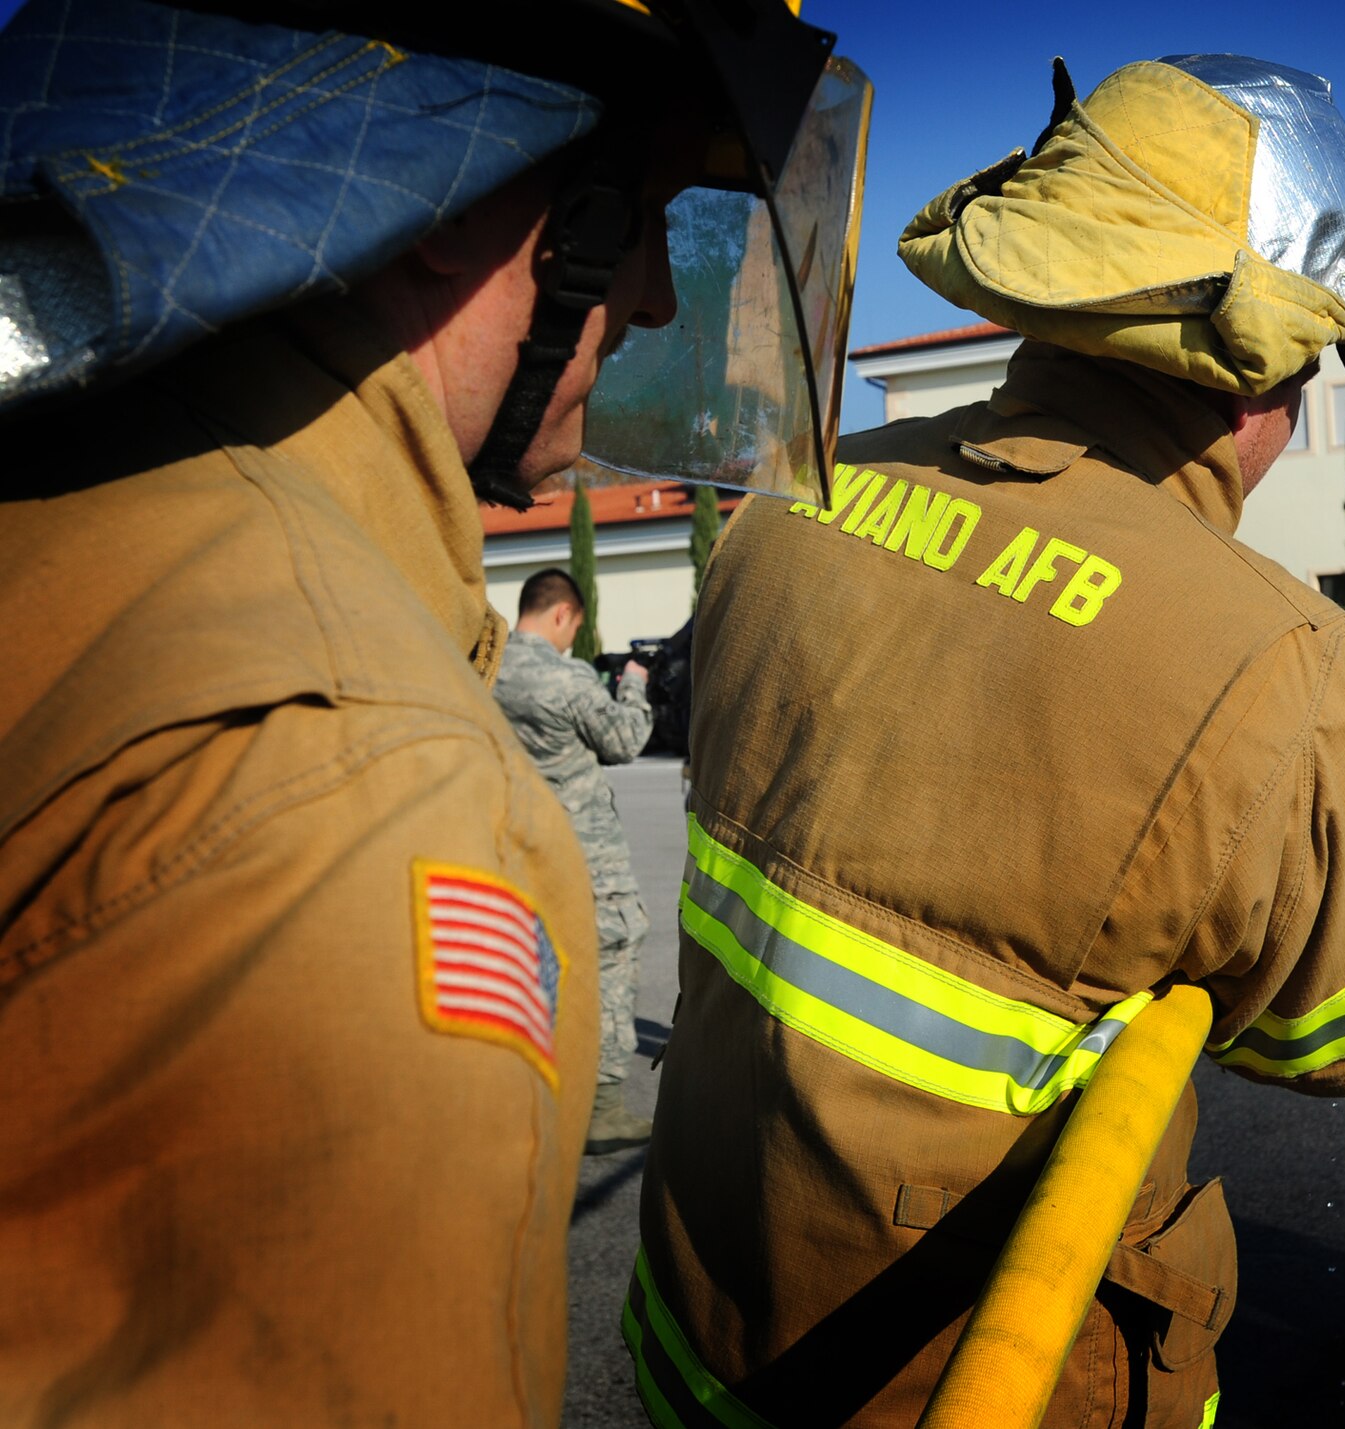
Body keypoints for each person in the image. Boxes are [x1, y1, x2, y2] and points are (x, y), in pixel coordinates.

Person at [0, 0, 858, 1421]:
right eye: (639, 209)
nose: (653, 296)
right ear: (449, 196)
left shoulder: (89, 507)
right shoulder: (354, 773)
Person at [632, 55, 1345, 1427]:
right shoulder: (1265, 660)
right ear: (1258, 374)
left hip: (698, 1328)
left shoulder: (800, 503)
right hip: (969, 1376)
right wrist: (1341, 778)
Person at [493, 568, 657, 1154]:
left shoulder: (488, 668)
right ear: (563, 614)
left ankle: (533, 1094)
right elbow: (625, 740)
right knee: (614, 956)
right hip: (590, 856)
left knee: (536, 969)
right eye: (573, 629)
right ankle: (603, 1110)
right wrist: (634, 682)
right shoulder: (567, 679)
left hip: (521, 848)